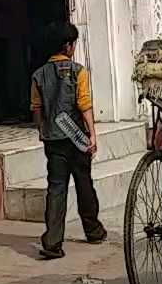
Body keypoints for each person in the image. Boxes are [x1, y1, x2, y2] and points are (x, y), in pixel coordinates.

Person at [30, 21, 106, 259]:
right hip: (76, 138)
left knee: (56, 188)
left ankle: (52, 242)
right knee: (84, 184)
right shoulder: (79, 71)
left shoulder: (38, 75)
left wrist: (42, 130)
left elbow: (36, 108)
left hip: (53, 140)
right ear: (68, 46)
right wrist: (92, 134)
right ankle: (93, 230)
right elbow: (84, 104)